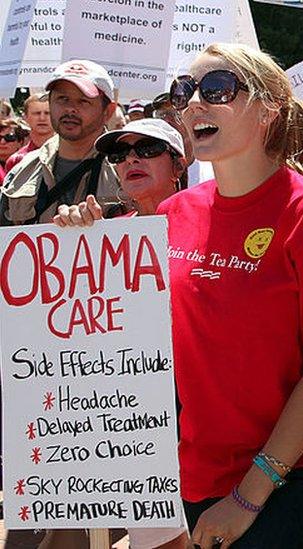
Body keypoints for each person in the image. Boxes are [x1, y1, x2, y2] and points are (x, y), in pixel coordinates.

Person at [161, 42, 303, 548]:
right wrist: (78, 235)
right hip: (200, 467)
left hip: (299, 467)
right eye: (186, 91)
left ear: (268, 109)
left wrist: (249, 496)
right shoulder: (171, 214)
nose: (193, 105)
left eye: (215, 90)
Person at [50, 118, 192, 549]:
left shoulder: (212, 222)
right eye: (119, 153)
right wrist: (74, 240)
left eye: (147, 149)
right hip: (137, 421)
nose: (131, 158)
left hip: (207, 419)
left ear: (178, 165)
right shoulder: (102, 237)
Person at [0, 60, 120, 225]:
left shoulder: (127, 170)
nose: (70, 109)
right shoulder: (23, 170)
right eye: (62, 99)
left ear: (108, 111)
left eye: (83, 101)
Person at [150, 92, 214, 187]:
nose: (167, 120)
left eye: (174, 114)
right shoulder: (148, 170)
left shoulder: (214, 170)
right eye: (161, 115)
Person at [4, 93, 53, 173]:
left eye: (47, 113)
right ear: (25, 117)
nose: (42, 118)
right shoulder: (16, 160)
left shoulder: (70, 153)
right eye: (36, 113)